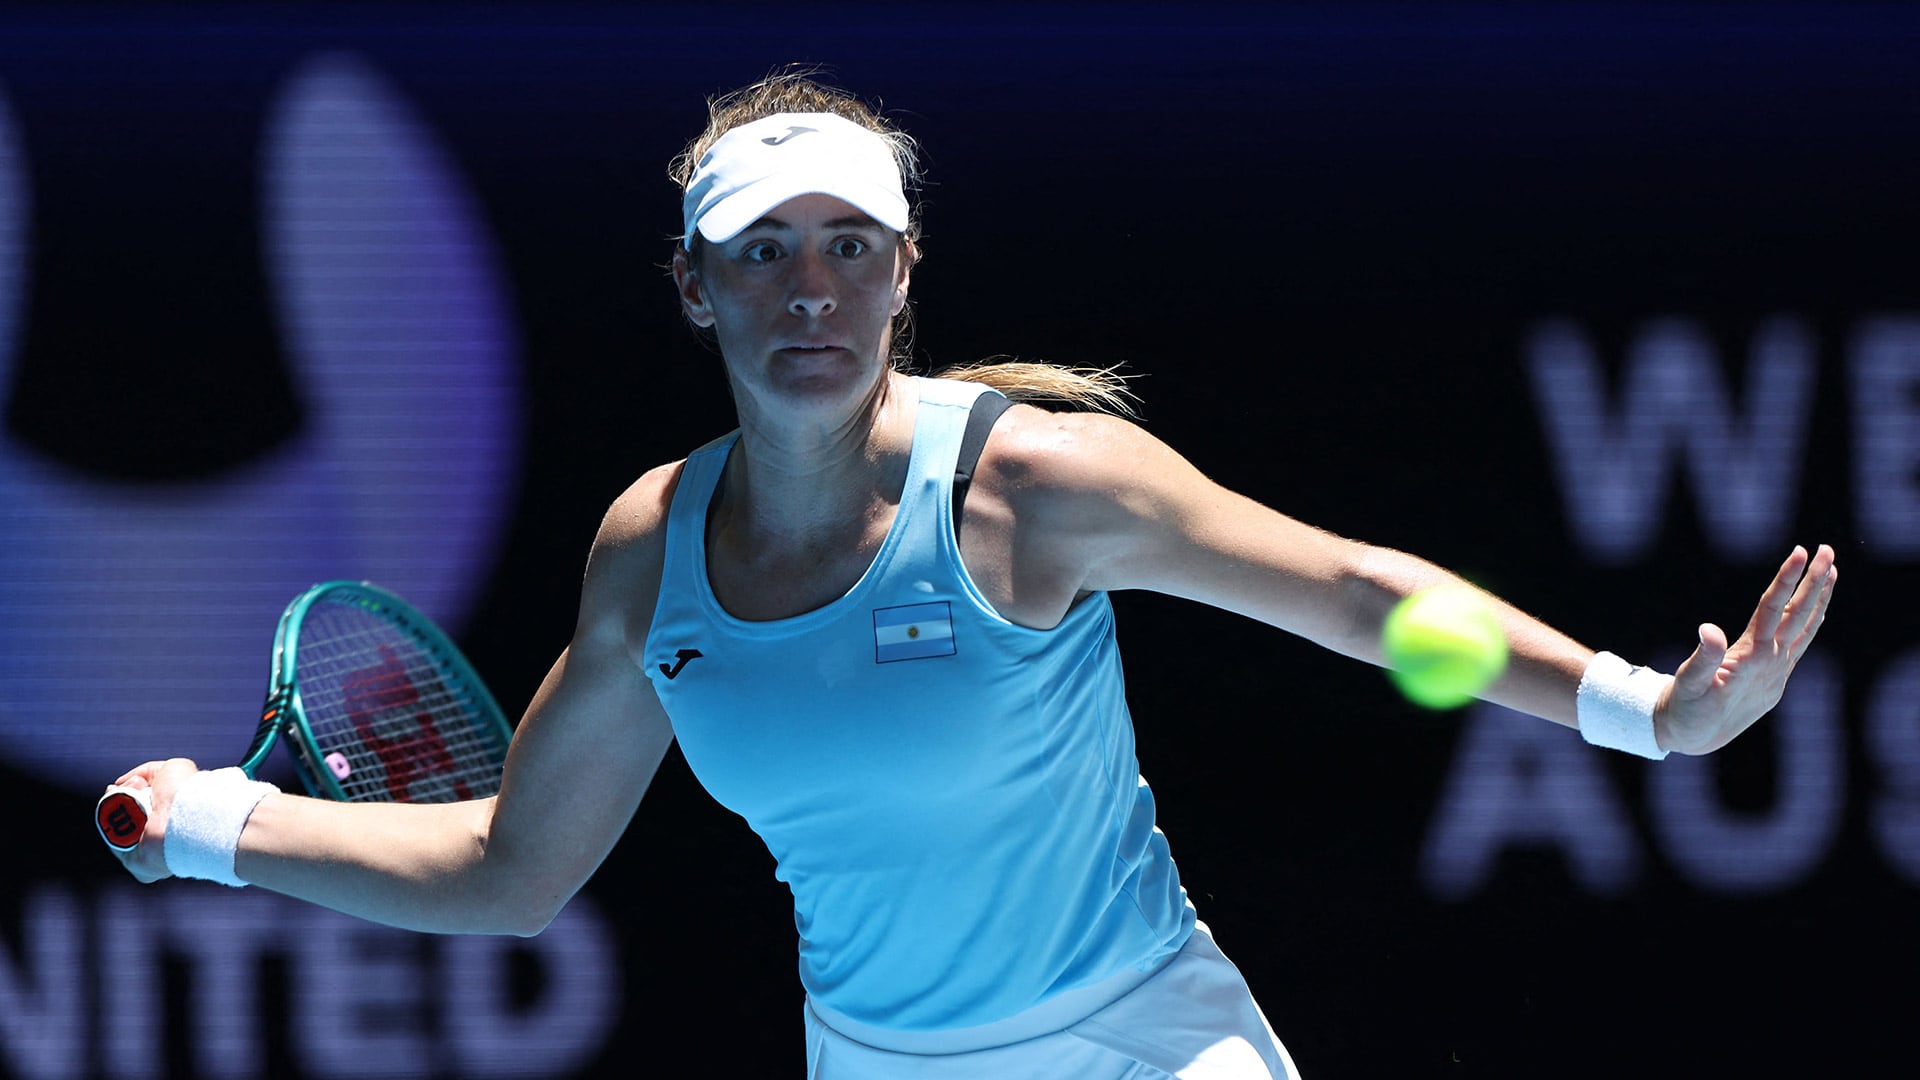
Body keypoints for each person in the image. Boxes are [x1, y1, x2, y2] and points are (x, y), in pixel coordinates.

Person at [107, 72, 1839, 1079]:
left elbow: (1356, 594)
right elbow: (508, 870)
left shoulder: (1035, 487)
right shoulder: (649, 556)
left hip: (1149, 1045)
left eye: (847, 248)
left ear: (902, 274)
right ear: (695, 288)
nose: (810, 289)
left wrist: (1644, 712)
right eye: (762, 253)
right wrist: (204, 826)